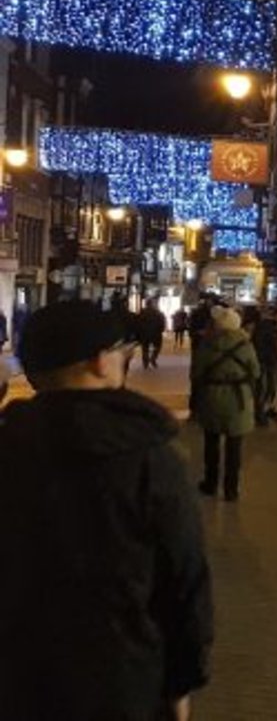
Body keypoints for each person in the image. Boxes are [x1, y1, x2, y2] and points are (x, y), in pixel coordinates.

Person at [0, 300, 215, 720]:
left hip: (16, 672)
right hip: (122, 674)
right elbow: (184, 580)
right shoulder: (148, 456)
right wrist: (180, 682)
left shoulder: (9, 446)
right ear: (99, 362)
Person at [192, 304, 260, 501]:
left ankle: (210, 483)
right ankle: (231, 489)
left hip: (212, 397)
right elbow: (255, 371)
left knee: (211, 444)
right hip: (238, 399)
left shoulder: (207, 344)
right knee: (234, 447)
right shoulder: (246, 345)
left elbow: (196, 372)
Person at [247, 306, 277, 427]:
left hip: (262, 361)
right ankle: (261, 412)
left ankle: (260, 411)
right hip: (266, 361)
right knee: (265, 388)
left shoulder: (260, 327)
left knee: (261, 388)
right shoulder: (267, 327)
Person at [138, 300, 167, 368]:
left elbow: (139, 323)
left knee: (145, 348)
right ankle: (153, 358)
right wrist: (161, 330)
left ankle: (145, 362)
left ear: (146, 304)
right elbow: (162, 321)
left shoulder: (142, 312)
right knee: (157, 347)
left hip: (144, 334)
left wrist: (140, 332)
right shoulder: (157, 312)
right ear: (152, 304)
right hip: (156, 333)